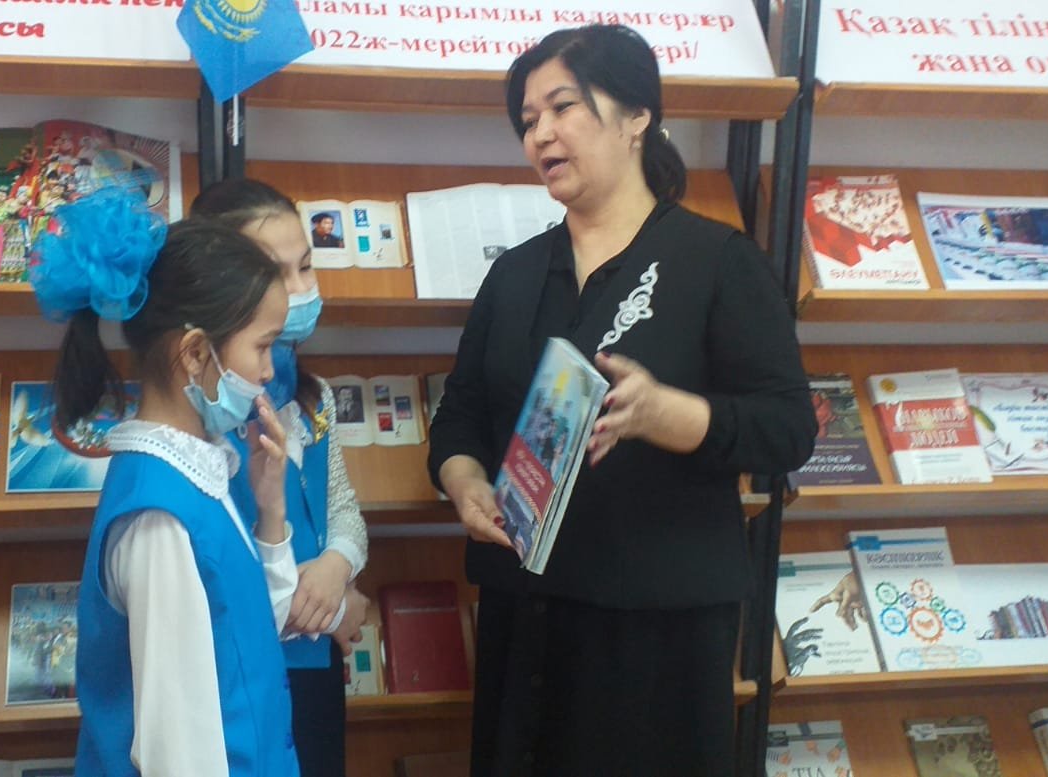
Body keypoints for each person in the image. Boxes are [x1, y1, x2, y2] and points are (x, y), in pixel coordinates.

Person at [426, 24, 815, 776]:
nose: (541, 133)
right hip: (526, 614)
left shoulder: (718, 261)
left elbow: (789, 428)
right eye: (528, 120)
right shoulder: (513, 275)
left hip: (656, 634)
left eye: (562, 107)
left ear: (637, 115)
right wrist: (464, 481)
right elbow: (461, 414)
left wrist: (673, 416)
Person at [34, 187, 303, 777]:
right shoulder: (160, 517)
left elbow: (256, 630)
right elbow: (178, 753)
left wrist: (271, 511)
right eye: (262, 346)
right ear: (195, 354)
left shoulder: (201, 467)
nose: (268, 370)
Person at [193, 178, 373, 777]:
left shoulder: (311, 396)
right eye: (276, 272)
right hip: (242, 676)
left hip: (316, 669)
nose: (299, 290)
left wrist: (339, 567)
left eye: (306, 267)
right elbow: (217, 588)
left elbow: (343, 507)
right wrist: (332, 610)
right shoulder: (202, 419)